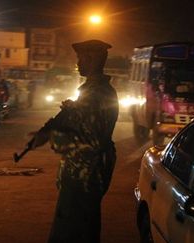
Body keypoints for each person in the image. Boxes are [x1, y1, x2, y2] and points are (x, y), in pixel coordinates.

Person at [27, 39, 118, 243]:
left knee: (74, 233)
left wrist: (52, 137)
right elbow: (80, 124)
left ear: (92, 59)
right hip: (81, 176)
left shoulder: (97, 94)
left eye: (81, 58)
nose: (78, 62)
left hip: (85, 178)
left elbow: (92, 142)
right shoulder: (91, 91)